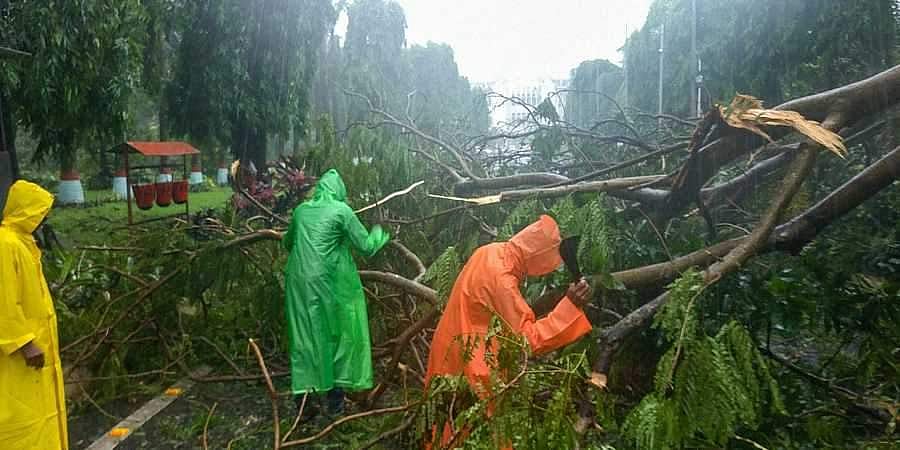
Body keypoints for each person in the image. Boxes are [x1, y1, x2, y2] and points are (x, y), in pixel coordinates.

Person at [424, 214, 592, 448]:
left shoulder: (489, 251)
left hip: (448, 346)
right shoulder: (503, 281)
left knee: (443, 421)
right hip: (473, 360)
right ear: (541, 259)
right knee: (478, 432)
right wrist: (570, 306)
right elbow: (527, 340)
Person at [282, 169, 390, 418]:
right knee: (339, 333)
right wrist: (380, 229)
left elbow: (288, 243)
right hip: (329, 283)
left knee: (304, 336)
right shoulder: (343, 211)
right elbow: (367, 247)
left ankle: (303, 405)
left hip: (297, 284)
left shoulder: (300, 211)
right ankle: (335, 405)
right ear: (339, 191)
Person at [0, 180, 68, 449]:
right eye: (40, 212)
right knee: (22, 423)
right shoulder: (6, 245)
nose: (44, 219)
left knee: (41, 416)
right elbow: (3, 298)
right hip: (18, 354)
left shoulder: (23, 243)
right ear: (27, 211)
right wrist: (24, 342)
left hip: (37, 349)